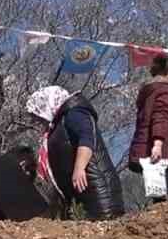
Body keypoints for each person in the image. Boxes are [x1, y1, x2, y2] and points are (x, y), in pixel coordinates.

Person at [26, 86, 125, 220]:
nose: (36, 121)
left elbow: (86, 138)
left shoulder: (75, 113)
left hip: (99, 191)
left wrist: (79, 168)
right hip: (84, 191)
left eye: (37, 115)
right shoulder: (59, 123)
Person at [127, 54, 168, 200]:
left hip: (163, 151)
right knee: (167, 201)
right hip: (160, 156)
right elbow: (160, 117)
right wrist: (158, 144)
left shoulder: (152, 92)